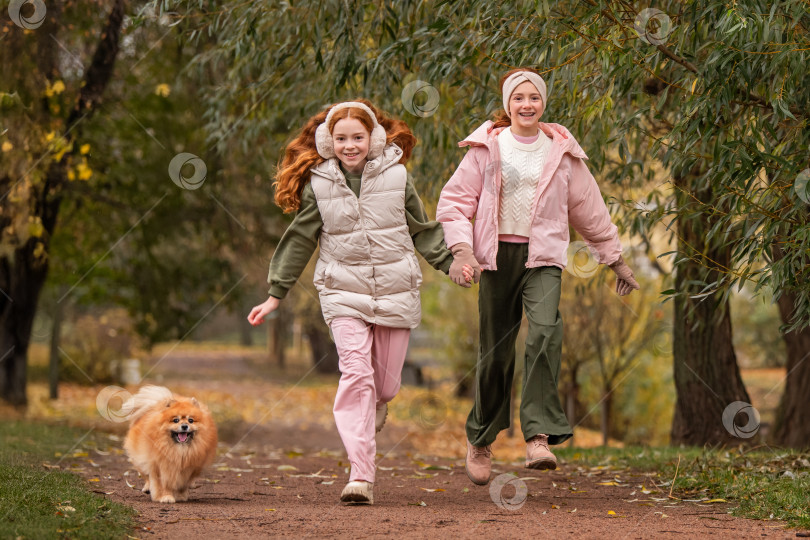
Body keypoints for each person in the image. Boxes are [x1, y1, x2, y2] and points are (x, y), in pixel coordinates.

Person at [247, 99, 471, 505]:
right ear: (329, 142)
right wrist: (275, 294)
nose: (350, 145)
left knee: (384, 385)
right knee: (356, 375)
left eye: (358, 137)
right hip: (341, 292)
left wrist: (450, 263)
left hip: (395, 290)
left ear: (373, 137)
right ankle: (361, 475)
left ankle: (378, 404)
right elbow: (299, 239)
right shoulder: (319, 183)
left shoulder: (397, 176)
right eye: (341, 138)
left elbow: (422, 229)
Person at [436, 68, 640, 486]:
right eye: (518, 98)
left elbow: (589, 208)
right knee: (496, 351)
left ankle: (538, 436)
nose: (527, 105)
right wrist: (460, 251)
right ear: (507, 104)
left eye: (534, 97)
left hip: (542, 256)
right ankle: (481, 437)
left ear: (544, 103)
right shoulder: (484, 148)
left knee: (545, 332)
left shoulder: (561, 151)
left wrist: (615, 260)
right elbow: (455, 202)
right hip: (495, 257)